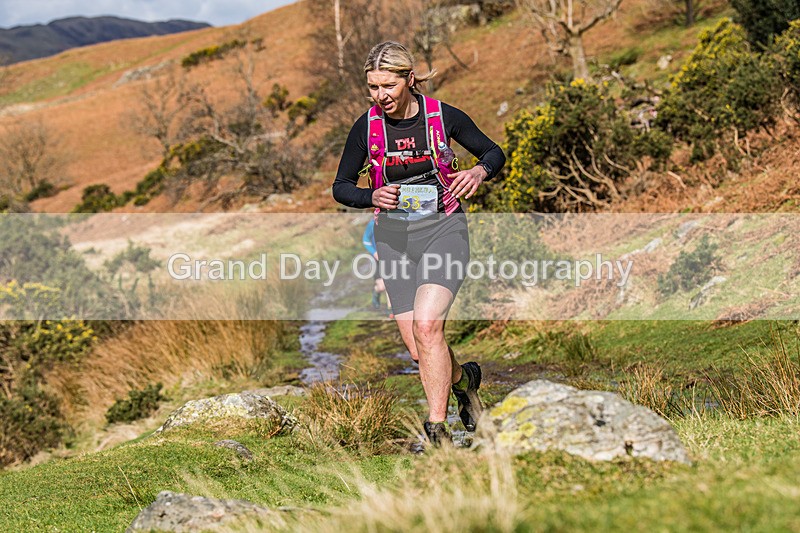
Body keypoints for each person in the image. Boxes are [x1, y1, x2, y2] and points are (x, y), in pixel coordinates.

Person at [332, 41, 505, 446]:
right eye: (373, 87)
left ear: (409, 79)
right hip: (393, 242)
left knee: (429, 329)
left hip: (444, 230)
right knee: (419, 349)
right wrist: (370, 196)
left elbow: (493, 152)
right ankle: (466, 381)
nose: (381, 96)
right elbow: (341, 187)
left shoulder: (441, 116)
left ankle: (436, 429)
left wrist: (479, 173)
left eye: (388, 86)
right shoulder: (367, 127)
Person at [362, 218, 391, 315]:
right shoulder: (372, 223)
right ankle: (376, 292)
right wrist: (374, 253)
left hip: (389, 257)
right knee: (382, 286)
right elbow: (365, 240)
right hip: (376, 259)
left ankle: (390, 309)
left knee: (390, 282)